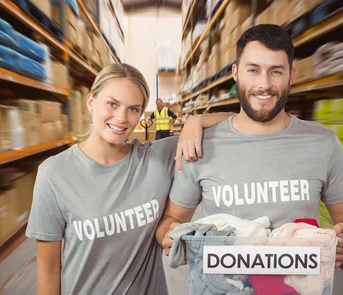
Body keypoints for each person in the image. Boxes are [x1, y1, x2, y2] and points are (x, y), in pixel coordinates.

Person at [156, 24, 343, 269]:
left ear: (292, 76)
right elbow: (171, 221)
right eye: (253, 70)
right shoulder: (199, 145)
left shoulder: (324, 143)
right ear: (236, 73)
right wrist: (170, 236)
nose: (264, 84)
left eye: (276, 71)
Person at [26, 64, 232, 295]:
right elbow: (48, 270)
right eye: (112, 104)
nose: (122, 118)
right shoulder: (54, 173)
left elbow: (235, 122)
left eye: (133, 109)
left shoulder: (156, 158)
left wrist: (196, 121)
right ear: (91, 102)